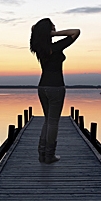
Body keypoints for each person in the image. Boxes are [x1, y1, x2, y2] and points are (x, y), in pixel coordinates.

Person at [29, 18, 80, 164]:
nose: (55, 29)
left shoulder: (39, 47)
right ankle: (49, 155)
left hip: (42, 87)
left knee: (48, 121)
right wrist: (54, 34)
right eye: (52, 27)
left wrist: (45, 33)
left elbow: (34, 29)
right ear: (49, 31)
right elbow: (76, 32)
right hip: (56, 87)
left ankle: (42, 153)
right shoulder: (56, 47)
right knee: (53, 122)